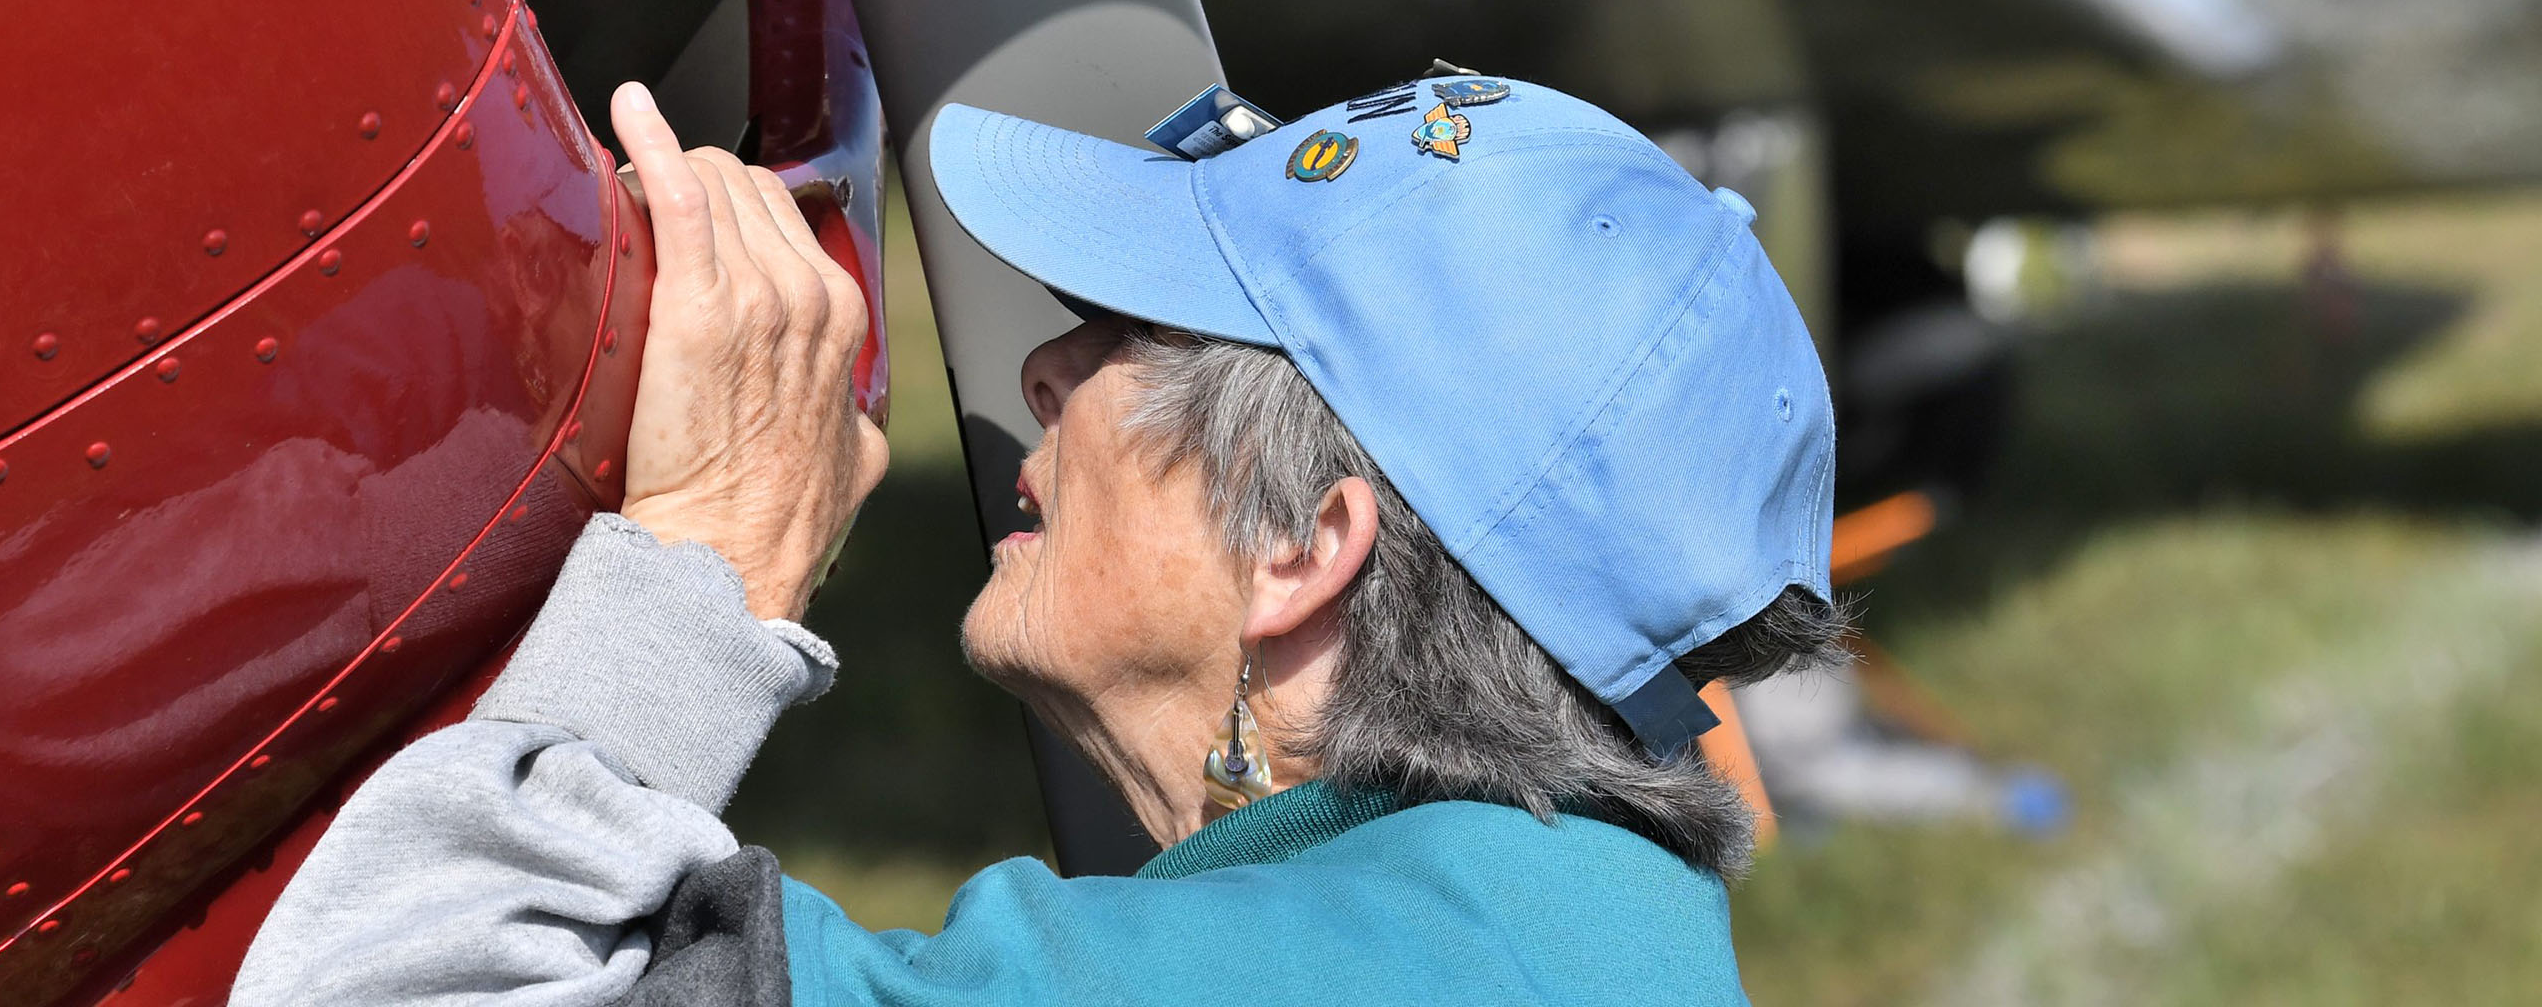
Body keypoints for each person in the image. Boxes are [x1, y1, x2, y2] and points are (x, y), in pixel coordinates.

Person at [230, 69, 1845, 1006]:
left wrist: (700, 568)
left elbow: (394, 978)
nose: (1040, 373)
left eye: (1133, 333)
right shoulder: (1600, 935)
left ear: (1305, 548)